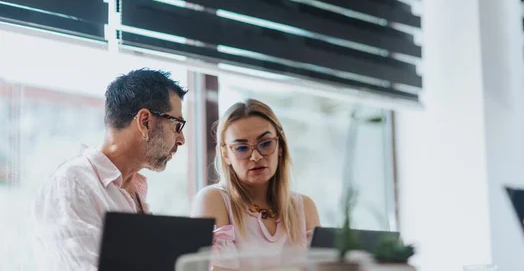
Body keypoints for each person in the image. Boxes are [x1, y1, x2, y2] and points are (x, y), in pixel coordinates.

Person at [31, 68, 187, 270]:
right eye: (177, 125)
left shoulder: (135, 190)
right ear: (145, 121)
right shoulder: (72, 184)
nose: (181, 139)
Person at [192, 99, 320, 269]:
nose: (256, 157)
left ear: (280, 146)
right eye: (242, 148)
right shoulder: (213, 200)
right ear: (225, 154)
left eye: (266, 144)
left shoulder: (305, 207)